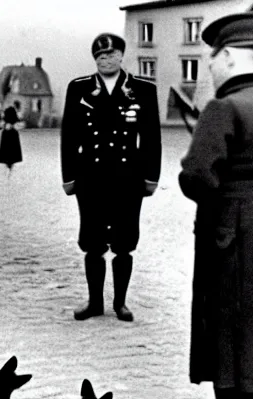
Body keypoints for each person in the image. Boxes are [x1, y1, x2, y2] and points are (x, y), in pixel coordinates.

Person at [179, 12, 253, 399]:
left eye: (213, 57)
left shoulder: (224, 107)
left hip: (233, 234)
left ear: (232, 56)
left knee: (234, 342)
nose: (211, 67)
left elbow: (197, 177)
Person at [60, 33, 161, 322]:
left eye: (112, 55)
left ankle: (120, 303)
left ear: (121, 56)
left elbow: (152, 138)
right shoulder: (79, 88)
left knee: (124, 242)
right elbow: (69, 136)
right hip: (90, 177)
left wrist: (152, 176)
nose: (106, 60)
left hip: (128, 178)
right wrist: (68, 176)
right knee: (92, 242)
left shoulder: (141, 90)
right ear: (95, 59)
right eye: (100, 56)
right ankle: (94, 303)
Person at [0, 105, 23, 176]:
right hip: (13, 136)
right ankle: (10, 168)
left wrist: (5, 125)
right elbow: (21, 125)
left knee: (6, 152)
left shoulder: (5, 121)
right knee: (13, 153)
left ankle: (8, 167)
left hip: (6, 135)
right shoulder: (15, 121)